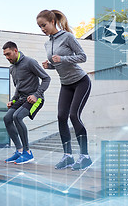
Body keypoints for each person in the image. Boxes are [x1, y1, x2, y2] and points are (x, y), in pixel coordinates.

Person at [36, 9, 92, 171]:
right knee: (61, 117)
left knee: (74, 115)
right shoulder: (47, 43)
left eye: (44, 25)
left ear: (52, 22)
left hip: (81, 81)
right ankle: (68, 156)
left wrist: (62, 59)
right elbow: (60, 65)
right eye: (39, 27)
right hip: (65, 84)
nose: (42, 29)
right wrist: (51, 66)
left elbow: (82, 57)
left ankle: (85, 156)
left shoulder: (67, 37)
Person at [2, 41, 51, 164]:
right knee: (7, 118)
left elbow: (46, 78)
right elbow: (18, 87)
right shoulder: (12, 68)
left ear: (15, 51)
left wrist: (36, 95)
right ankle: (19, 150)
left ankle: (27, 153)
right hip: (22, 98)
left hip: (36, 98)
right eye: (5, 55)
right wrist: (13, 100)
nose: (7, 57)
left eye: (8, 54)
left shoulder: (30, 62)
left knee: (17, 117)